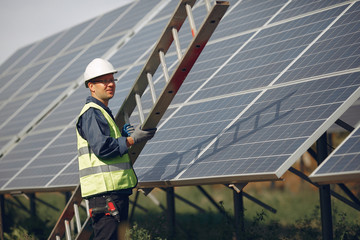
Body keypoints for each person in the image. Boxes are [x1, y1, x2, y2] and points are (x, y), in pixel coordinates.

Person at [76, 58, 156, 240]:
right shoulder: (92, 113)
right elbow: (102, 148)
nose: (110, 84)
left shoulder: (101, 112)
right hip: (106, 195)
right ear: (91, 86)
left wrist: (120, 136)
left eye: (111, 80)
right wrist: (130, 140)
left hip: (112, 193)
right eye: (103, 81)